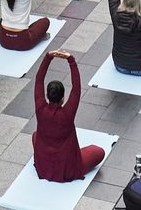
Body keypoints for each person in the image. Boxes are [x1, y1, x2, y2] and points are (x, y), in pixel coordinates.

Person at [33, 49, 106, 181]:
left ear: (47, 96)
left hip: (44, 166)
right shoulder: (68, 112)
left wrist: (48, 57)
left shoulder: (40, 108)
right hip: (69, 167)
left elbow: (38, 80)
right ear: (63, 98)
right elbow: (76, 88)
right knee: (99, 152)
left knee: (35, 136)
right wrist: (70, 60)